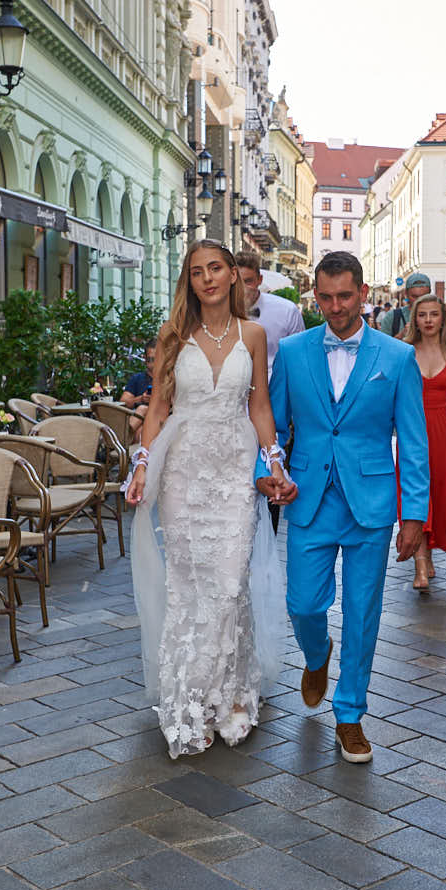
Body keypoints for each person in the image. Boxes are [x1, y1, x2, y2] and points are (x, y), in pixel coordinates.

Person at [124, 239, 291, 759]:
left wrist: (275, 458)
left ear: (233, 276)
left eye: (215, 268)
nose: (207, 279)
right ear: (189, 282)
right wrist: (142, 464)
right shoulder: (173, 337)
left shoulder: (256, 335)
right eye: (196, 273)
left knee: (228, 583)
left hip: (235, 470)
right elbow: (157, 409)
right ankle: (191, 699)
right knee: (190, 587)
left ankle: (232, 695)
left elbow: (260, 405)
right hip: (184, 473)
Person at [260, 251, 429, 764]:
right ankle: (317, 657)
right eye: (326, 297)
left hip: (371, 504)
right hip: (308, 498)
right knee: (303, 604)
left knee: (362, 613)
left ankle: (350, 713)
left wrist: (414, 515)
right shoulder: (291, 352)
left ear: (362, 294)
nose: (335, 307)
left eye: (345, 296)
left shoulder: (397, 358)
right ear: (316, 296)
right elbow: (272, 432)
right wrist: (268, 475)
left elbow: (414, 443)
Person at [399, 296, 446, 591]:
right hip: (411, 429)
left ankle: (427, 550)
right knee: (415, 490)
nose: (428, 320)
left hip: (443, 430)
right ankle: (420, 563)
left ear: (443, 318)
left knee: (438, 492)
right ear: (414, 320)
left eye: (434, 314)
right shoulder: (404, 352)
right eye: (422, 315)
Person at [235, 248, 305, 372]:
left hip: (276, 384)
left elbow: (299, 356)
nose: (243, 288)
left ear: (260, 280)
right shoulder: (220, 313)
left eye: (248, 281)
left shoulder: (287, 311)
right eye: (237, 282)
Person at [381, 272, 432, 337]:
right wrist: (402, 335)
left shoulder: (439, 317)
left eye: (423, 297)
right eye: (414, 296)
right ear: (406, 294)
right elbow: (382, 345)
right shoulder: (392, 317)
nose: (419, 301)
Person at [122, 344, 156, 408]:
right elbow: (123, 403)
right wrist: (141, 399)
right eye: (151, 359)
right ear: (144, 358)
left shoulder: (170, 378)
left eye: (158, 358)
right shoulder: (137, 378)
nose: (155, 362)